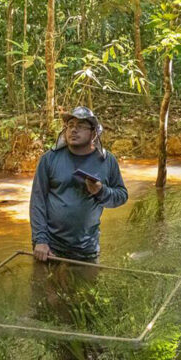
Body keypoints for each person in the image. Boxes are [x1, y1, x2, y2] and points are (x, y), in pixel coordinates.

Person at [29, 106, 128, 263]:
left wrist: (101, 191)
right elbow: (37, 201)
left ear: (94, 133)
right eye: (70, 125)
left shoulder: (107, 161)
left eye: (80, 126)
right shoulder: (49, 159)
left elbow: (121, 196)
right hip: (50, 248)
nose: (73, 130)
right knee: (44, 287)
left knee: (86, 287)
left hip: (87, 249)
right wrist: (40, 240)